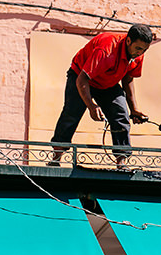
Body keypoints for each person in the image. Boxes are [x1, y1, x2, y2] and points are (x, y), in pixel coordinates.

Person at [49, 23, 154, 168]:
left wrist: (134, 109)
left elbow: (128, 79)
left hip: (107, 83)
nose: (140, 53)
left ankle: (121, 161)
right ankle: (56, 158)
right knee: (71, 113)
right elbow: (82, 79)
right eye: (138, 48)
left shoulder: (138, 54)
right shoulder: (106, 50)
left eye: (144, 50)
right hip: (81, 77)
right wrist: (91, 106)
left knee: (120, 115)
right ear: (128, 41)